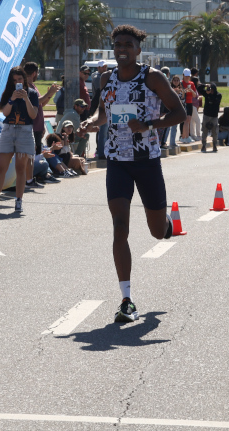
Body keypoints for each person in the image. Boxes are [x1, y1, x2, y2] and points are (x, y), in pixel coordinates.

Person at [79, 25, 185, 323]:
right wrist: (92, 122)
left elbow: (179, 113)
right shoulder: (106, 78)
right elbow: (104, 112)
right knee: (119, 227)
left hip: (147, 160)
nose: (121, 48)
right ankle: (126, 300)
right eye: (117, 44)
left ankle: (166, 223)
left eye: (128, 44)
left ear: (138, 48)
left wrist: (149, 125)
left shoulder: (152, 77)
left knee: (156, 232)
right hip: (117, 161)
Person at [0, 67, 38, 213]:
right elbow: (5, 112)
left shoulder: (31, 94)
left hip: (25, 131)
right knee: (2, 167)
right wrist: (12, 99)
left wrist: (25, 98)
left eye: (19, 79)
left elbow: (33, 115)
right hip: (8, 130)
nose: (17, 83)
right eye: (14, 80)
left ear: (24, 79)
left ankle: (19, 201)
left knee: (20, 168)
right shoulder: (8, 93)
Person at [23, 62, 58, 189]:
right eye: (37, 73)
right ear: (34, 73)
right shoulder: (27, 86)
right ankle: (29, 179)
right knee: (32, 155)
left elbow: (41, 104)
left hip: (37, 126)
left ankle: (33, 177)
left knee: (36, 154)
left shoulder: (33, 86)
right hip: (32, 126)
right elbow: (36, 101)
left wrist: (50, 94)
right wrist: (49, 94)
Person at [200, 82, 222, 152]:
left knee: (214, 131)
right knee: (204, 131)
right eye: (210, 89)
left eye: (212, 89)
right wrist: (205, 85)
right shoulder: (207, 93)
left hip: (214, 116)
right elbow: (199, 88)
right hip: (206, 114)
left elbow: (215, 101)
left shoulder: (218, 95)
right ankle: (203, 145)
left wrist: (210, 95)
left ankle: (215, 145)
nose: (211, 91)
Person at [179, 68, 197, 143]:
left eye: (188, 76)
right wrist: (184, 91)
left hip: (189, 103)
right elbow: (180, 93)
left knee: (188, 120)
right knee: (184, 120)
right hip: (183, 103)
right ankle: (183, 136)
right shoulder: (181, 83)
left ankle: (187, 136)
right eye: (186, 76)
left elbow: (195, 95)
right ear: (183, 75)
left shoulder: (191, 84)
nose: (187, 77)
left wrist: (191, 90)